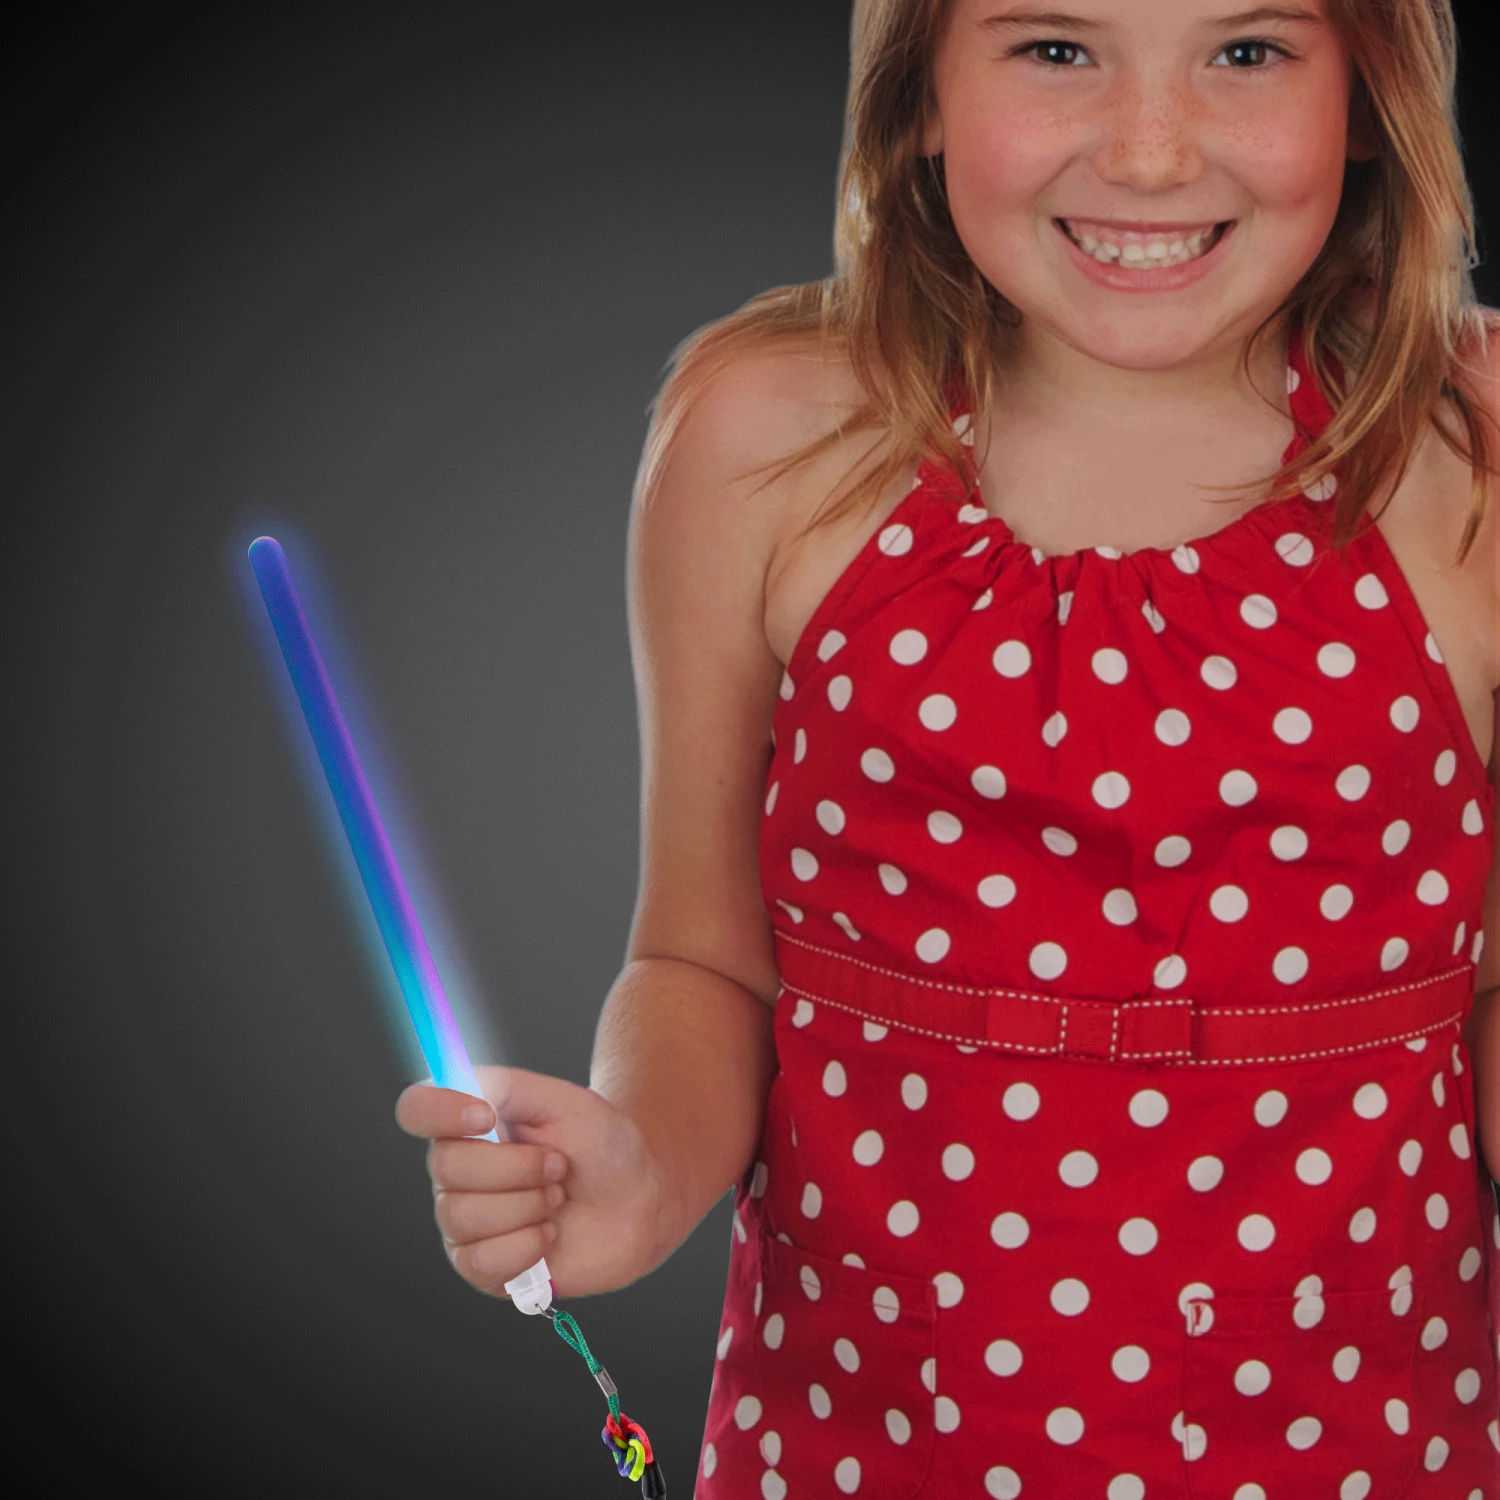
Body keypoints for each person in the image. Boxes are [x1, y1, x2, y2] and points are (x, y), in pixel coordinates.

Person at [397, 0, 1500, 1491]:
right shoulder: (768, 437)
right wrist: (643, 1166)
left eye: (1247, 52)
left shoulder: (1472, 448)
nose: (1152, 151)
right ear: (918, 91)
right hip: (865, 1432)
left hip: (1357, 1433)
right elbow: (706, 959)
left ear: (1367, 93)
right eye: (1056, 49)